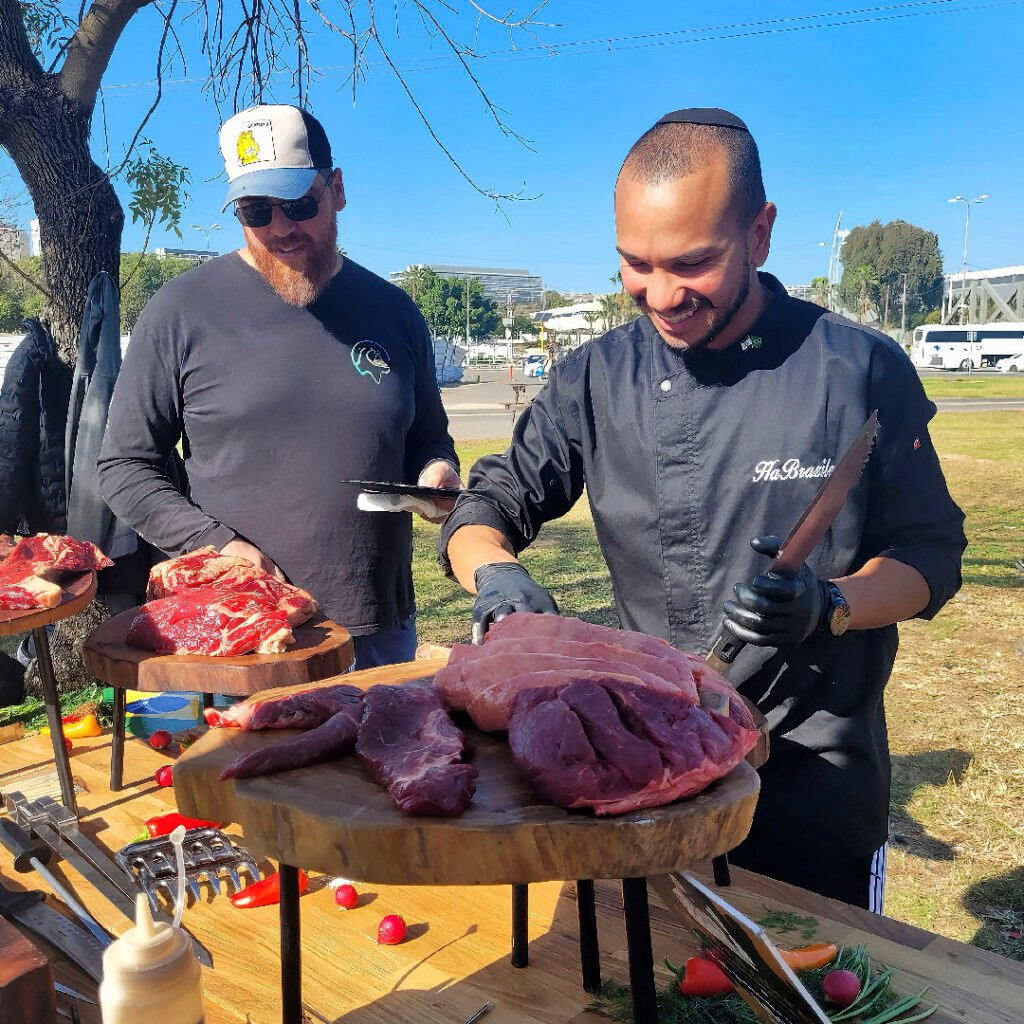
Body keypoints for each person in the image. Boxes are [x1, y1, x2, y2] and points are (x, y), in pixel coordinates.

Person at [439, 108, 967, 910]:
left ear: (760, 234)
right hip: (639, 763)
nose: (661, 295)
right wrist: (495, 576)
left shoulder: (858, 369)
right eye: (635, 264)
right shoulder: (594, 377)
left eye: (693, 263)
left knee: (799, 971)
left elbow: (931, 555)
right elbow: (488, 504)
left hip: (809, 779)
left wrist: (830, 604)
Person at [99, 103, 461, 669]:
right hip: (241, 635)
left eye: (300, 204)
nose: (281, 227)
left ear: (336, 190)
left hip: (379, 631)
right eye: (256, 210)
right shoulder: (181, 310)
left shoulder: (394, 311)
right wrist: (217, 545)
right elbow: (124, 466)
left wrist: (437, 472)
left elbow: (429, 439)